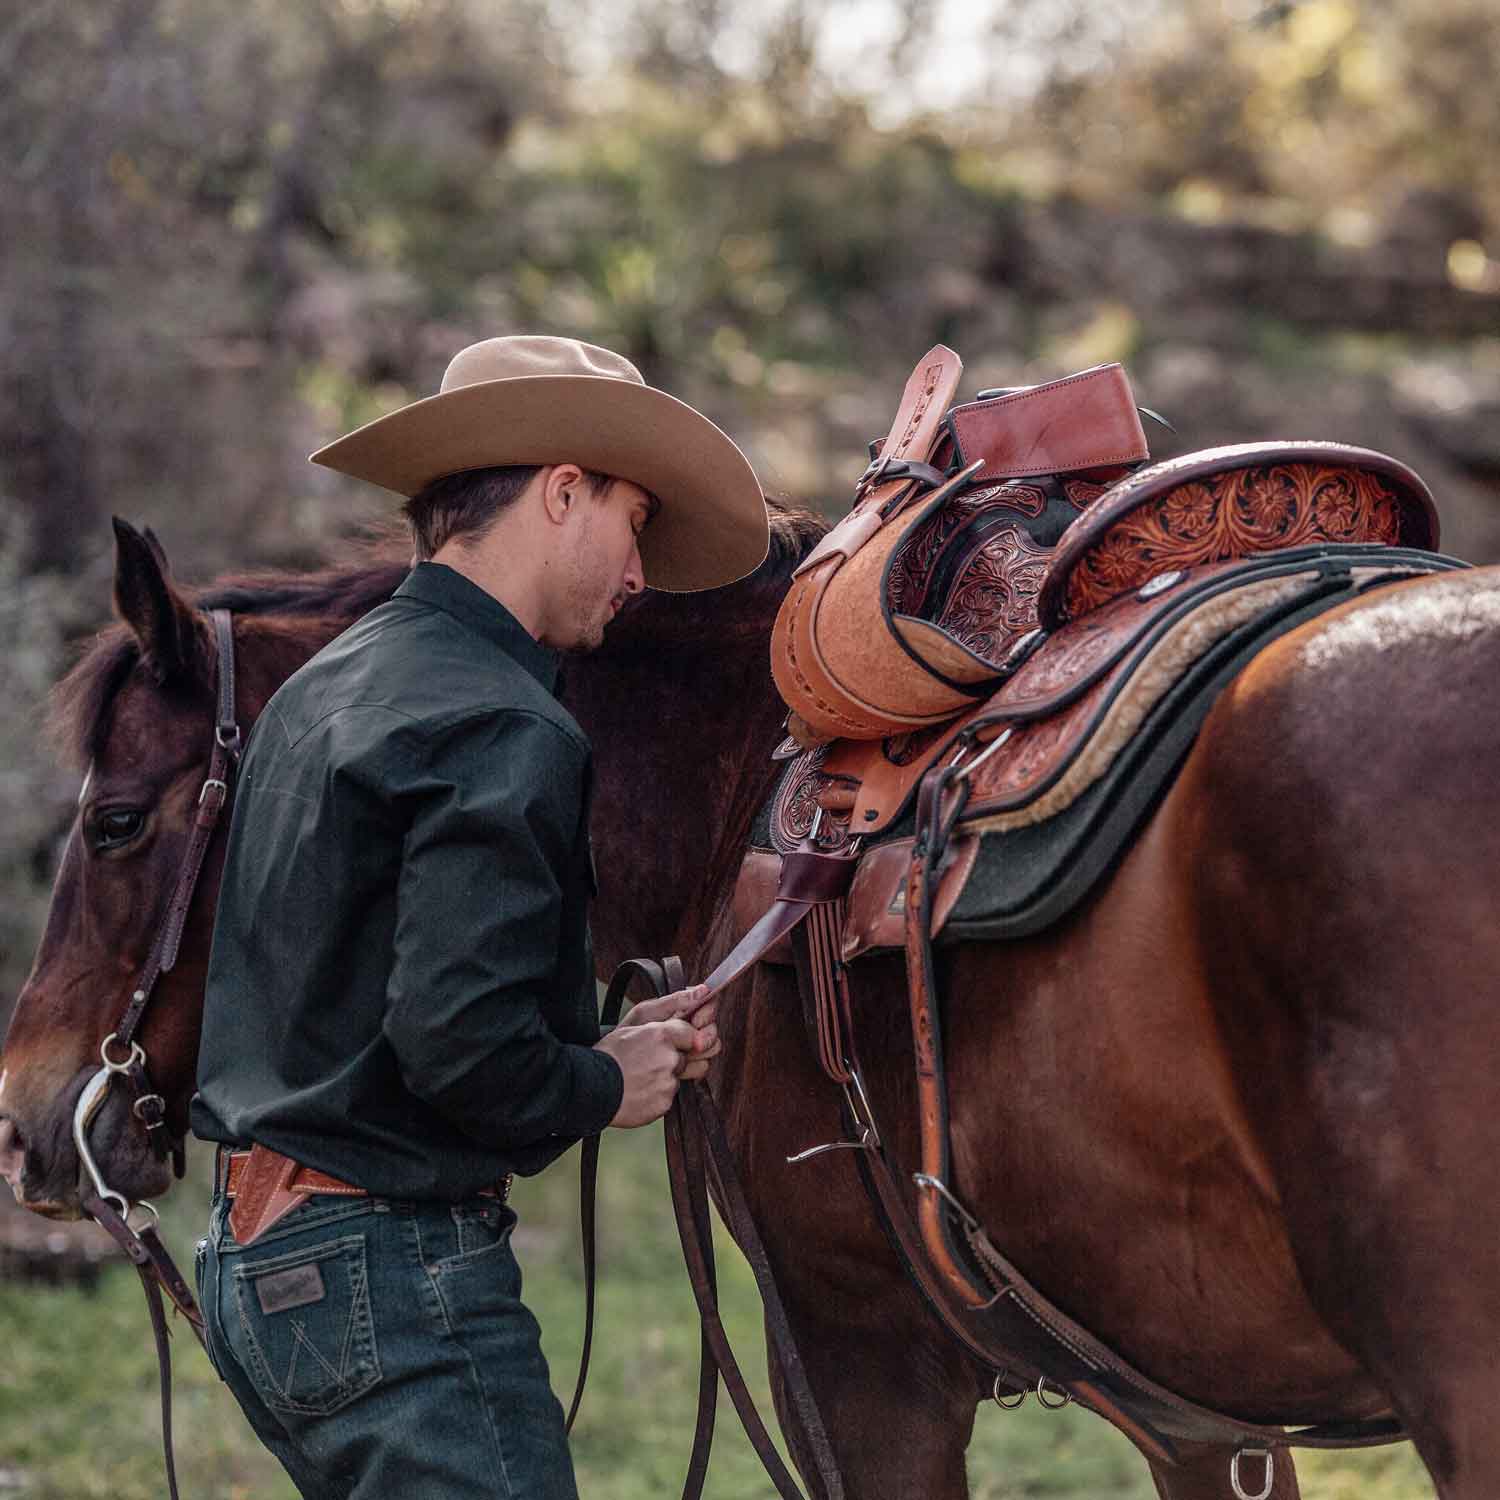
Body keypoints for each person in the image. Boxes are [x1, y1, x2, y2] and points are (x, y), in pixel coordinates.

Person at [190, 335, 770, 1498]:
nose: (640, 572)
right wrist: (611, 1085)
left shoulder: (329, 685)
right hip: (389, 1275)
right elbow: (461, 1045)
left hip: (255, 1261)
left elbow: (346, 992)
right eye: (633, 519)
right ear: (563, 492)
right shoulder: (503, 724)